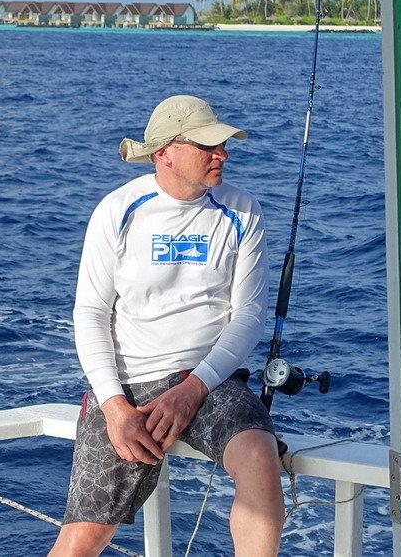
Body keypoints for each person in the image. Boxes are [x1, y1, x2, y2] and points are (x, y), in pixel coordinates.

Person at [49, 95, 284, 557]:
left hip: (210, 381)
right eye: (208, 146)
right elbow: (90, 312)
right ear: (164, 153)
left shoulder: (243, 211)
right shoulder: (118, 210)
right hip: (127, 387)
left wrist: (193, 388)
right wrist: (114, 407)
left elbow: (249, 316)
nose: (222, 154)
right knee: (83, 538)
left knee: (260, 455)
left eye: (222, 145)